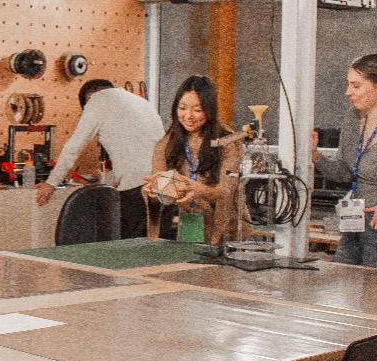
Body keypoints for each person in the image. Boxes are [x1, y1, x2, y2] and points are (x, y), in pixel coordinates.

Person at [36, 78, 164, 239]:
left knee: (129, 249)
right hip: (163, 186)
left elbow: (74, 145)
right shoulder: (140, 102)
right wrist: (107, 177)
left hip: (137, 192)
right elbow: (140, 155)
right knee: (158, 247)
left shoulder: (97, 101)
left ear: (88, 99)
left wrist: (51, 183)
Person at [314, 54, 377, 269]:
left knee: (376, 284)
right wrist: (315, 156)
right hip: (354, 222)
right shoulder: (352, 118)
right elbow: (345, 173)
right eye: (349, 85)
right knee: (343, 276)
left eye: (356, 86)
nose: (348, 92)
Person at [146, 75, 243, 245]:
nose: (188, 116)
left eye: (198, 110)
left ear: (210, 110)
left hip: (228, 230)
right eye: (182, 108)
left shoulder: (229, 142)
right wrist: (155, 192)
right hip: (189, 227)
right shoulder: (167, 144)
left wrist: (200, 189)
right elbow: (162, 192)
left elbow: (228, 191)